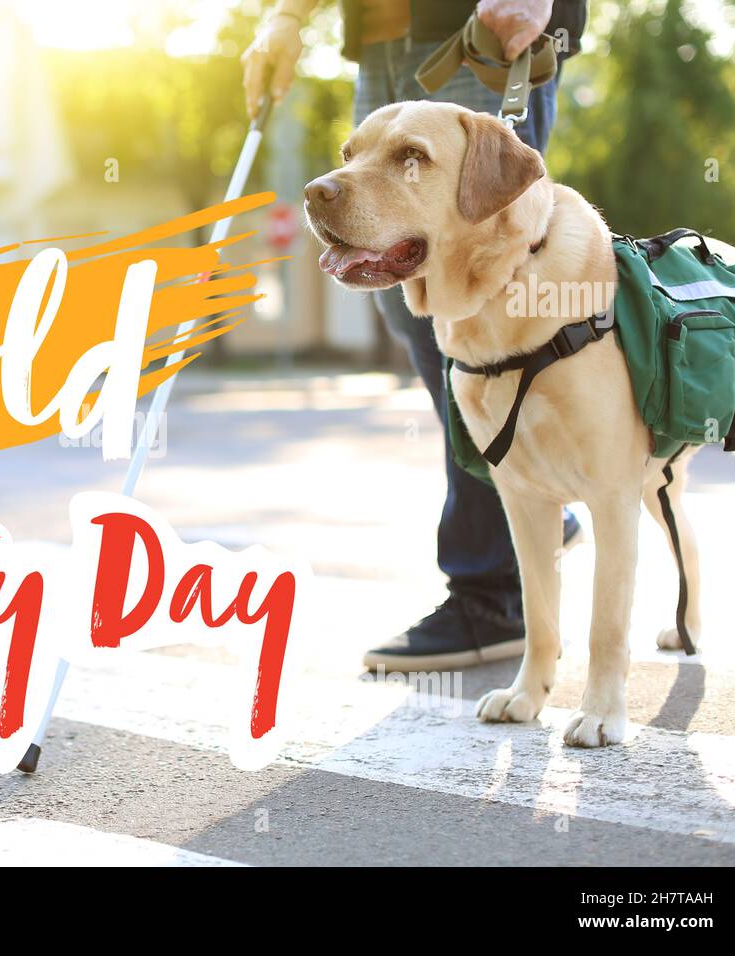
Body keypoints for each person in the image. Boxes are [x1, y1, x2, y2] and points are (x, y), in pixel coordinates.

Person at [243, 0, 587, 672]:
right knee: (409, 290)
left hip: (477, 20)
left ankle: (495, 589)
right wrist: (284, 15)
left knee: (480, 278)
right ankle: (526, 506)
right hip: (378, 38)